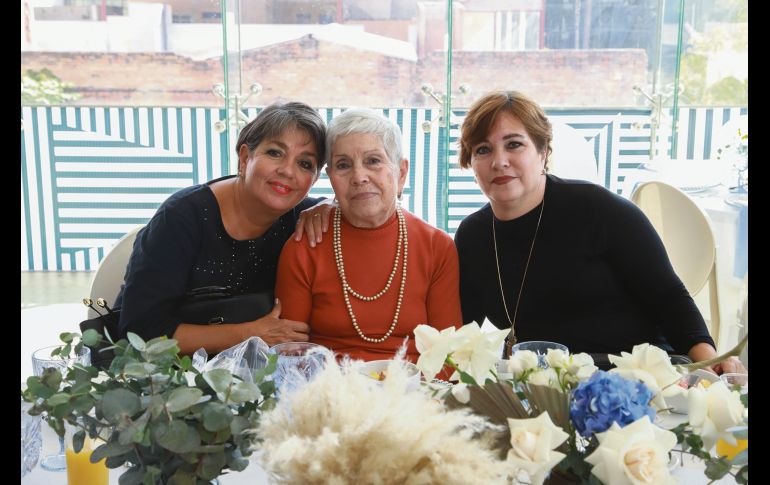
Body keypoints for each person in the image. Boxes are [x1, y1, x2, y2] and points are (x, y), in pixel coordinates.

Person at [453, 90, 745, 374]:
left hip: (637, 378)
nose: (499, 161)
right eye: (483, 149)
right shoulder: (472, 236)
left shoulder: (599, 210)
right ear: (471, 164)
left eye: (514, 144)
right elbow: (469, 335)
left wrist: (711, 366)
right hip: (546, 389)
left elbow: (669, 298)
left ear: (543, 152)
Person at [115, 101, 328, 355]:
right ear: (245, 157)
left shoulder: (304, 217)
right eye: (274, 152)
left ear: (313, 180)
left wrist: (330, 204)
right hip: (168, 373)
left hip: (251, 374)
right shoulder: (182, 217)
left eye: (305, 164)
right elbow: (139, 332)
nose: (287, 171)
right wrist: (251, 334)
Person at [275, 108, 461, 362]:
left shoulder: (437, 246)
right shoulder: (305, 245)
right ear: (331, 179)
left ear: (401, 172)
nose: (359, 177)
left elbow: (449, 356)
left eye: (373, 161)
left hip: (414, 390)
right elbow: (290, 353)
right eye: (343, 165)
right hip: (328, 390)